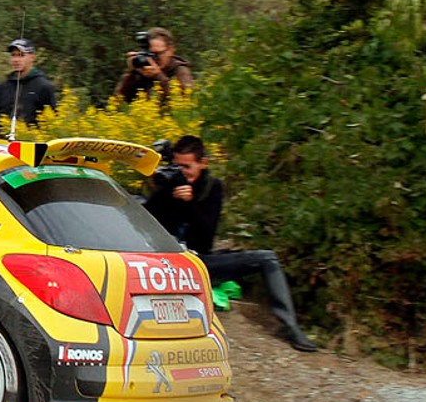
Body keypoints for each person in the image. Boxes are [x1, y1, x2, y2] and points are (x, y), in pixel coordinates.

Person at [146, 136, 318, 352]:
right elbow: (143, 221)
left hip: (199, 262)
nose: (182, 172)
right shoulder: (169, 186)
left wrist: (189, 203)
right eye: (177, 166)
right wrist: (164, 194)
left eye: (187, 167)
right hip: (166, 264)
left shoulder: (212, 188)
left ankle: (290, 327)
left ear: (203, 163)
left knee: (267, 258)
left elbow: (205, 235)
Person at [0, 39, 58, 137]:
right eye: (13, 55)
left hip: (31, 141)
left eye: (21, 55)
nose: (16, 59)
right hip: (3, 141)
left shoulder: (43, 86)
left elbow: (52, 121)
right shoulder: (4, 86)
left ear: (32, 57)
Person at [114, 27, 193, 111]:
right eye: (148, 54)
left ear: (170, 50)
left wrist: (158, 76)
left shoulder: (180, 70)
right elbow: (119, 102)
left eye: (157, 54)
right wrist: (132, 73)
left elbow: (184, 104)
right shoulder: (142, 70)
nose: (153, 59)